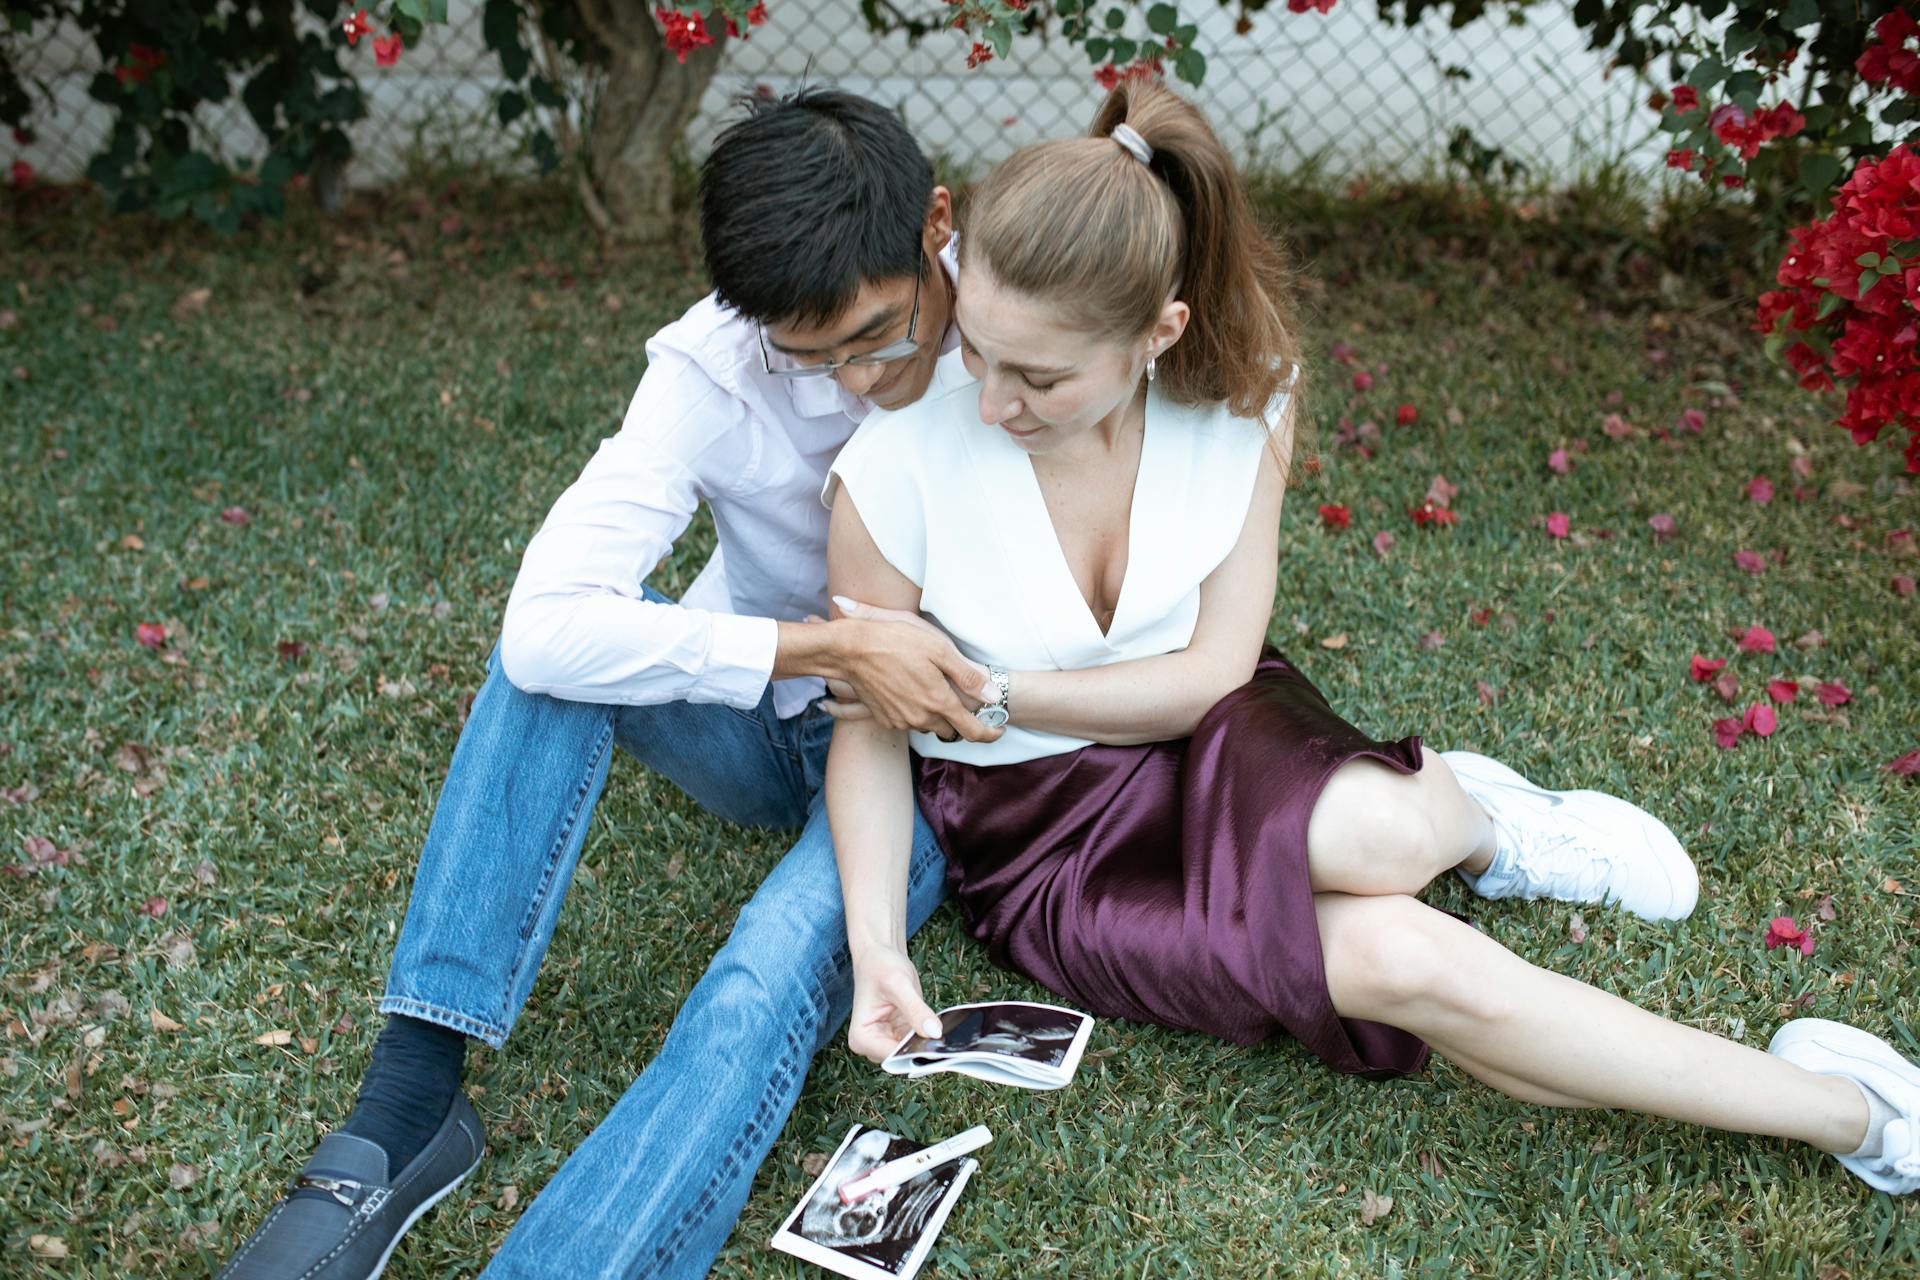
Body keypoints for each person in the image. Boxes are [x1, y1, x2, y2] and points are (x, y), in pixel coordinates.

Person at [822, 80, 1920, 1201]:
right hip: (1049, 839)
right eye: (981, 349)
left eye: (1039, 376)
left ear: (1159, 334)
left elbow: (1212, 674)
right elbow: (865, 730)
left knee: (1390, 842)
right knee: (1401, 959)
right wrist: (881, 952)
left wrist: (984, 689)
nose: (990, 397)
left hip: (1211, 722)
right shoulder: (892, 466)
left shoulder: (1244, 401)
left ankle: (1482, 825)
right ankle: (1853, 1108)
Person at [217, 88, 995, 1280]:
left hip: (921, 766)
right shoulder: (713, 365)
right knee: (545, 659)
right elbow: (544, 629)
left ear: (936, 224)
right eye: (809, 355)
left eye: (881, 335)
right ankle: (407, 1104)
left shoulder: (1018, 325)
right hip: (765, 720)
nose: (851, 382)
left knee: (757, 977)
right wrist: (823, 649)